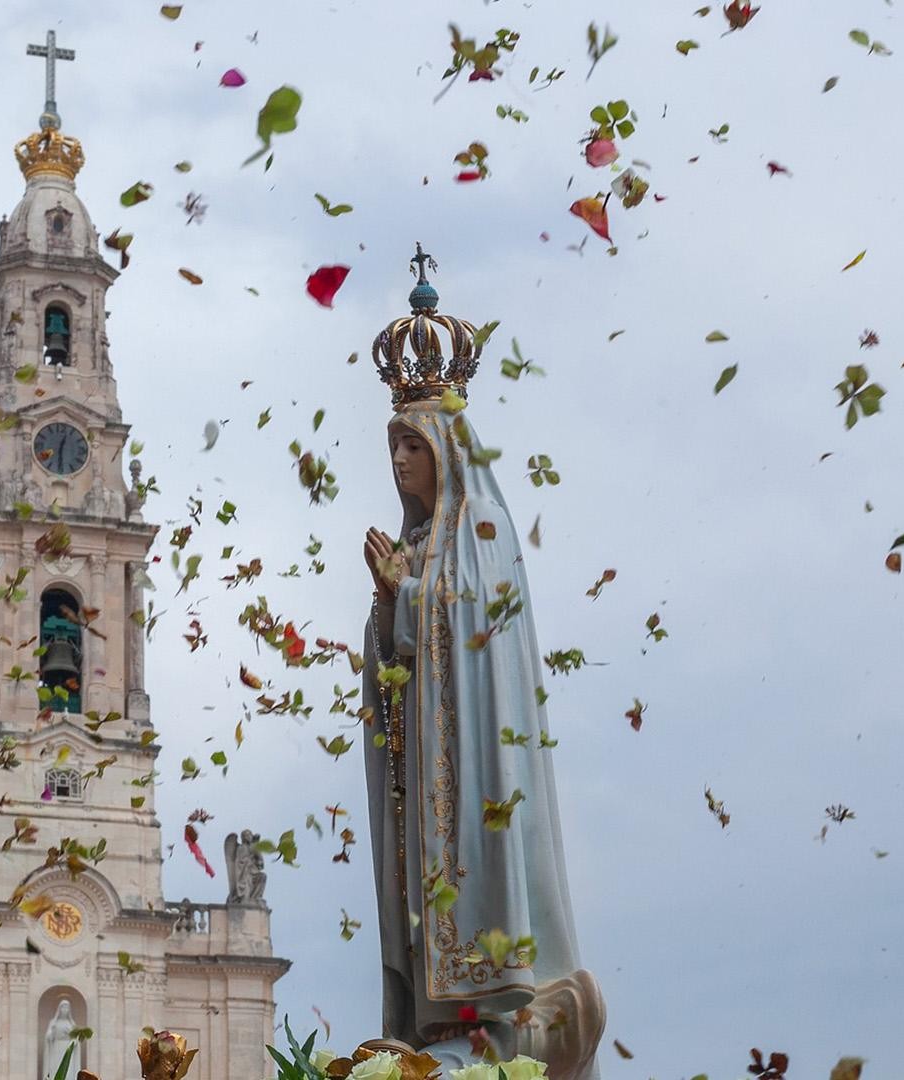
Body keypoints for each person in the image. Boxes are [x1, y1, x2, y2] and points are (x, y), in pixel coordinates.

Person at [360, 261, 605, 1080]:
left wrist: (406, 593)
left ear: (446, 450)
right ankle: (439, 1022)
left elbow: (473, 621)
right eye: (394, 447)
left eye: (412, 445)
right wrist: (389, 604)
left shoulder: (483, 527)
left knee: (475, 871)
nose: (400, 461)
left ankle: (497, 1018)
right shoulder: (420, 541)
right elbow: (398, 652)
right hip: (426, 775)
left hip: (474, 769)